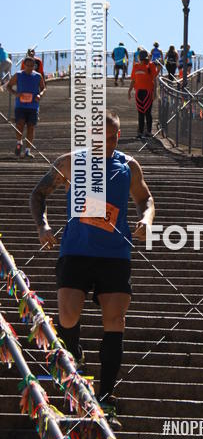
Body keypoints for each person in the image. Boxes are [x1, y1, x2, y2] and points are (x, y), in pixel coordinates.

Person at [29, 110, 155, 418]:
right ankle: (76, 355)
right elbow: (38, 193)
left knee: (115, 321)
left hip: (115, 254)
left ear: (118, 137)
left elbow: (146, 199)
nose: (108, 143)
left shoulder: (128, 165)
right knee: (68, 316)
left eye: (113, 138)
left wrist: (147, 221)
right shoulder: (72, 162)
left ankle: (106, 396)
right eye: (101, 138)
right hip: (76, 250)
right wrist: (43, 226)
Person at [7, 55, 45, 157]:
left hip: (33, 106)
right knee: (19, 124)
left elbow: (43, 88)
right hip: (20, 105)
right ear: (24, 65)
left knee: (31, 127)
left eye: (31, 66)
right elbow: (8, 86)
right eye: (27, 65)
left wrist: (39, 94)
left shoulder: (38, 76)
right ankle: (19, 142)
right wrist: (15, 93)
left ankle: (28, 151)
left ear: (34, 66)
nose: (29, 67)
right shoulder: (18, 75)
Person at [129, 49, 158, 137]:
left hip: (148, 91)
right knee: (140, 112)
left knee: (147, 112)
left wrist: (155, 92)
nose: (141, 60)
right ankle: (140, 132)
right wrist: (129, 90)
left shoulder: (151, 65)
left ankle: (148, 131)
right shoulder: (136, 66)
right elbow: (133, 80)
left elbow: (155, 79)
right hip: (138, 91)